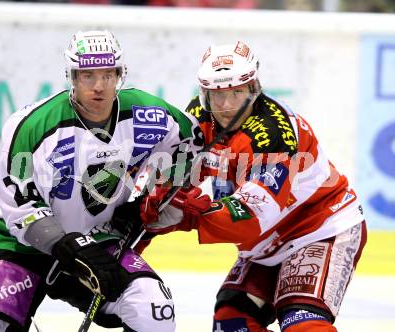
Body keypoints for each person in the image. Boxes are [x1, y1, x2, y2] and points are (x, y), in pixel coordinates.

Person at [0, 30, 203, 332]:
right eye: (87, 75)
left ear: (119, 75)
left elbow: (190, 146)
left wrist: (149, 199)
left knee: (154, 311)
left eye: (108, 75)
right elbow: (19, 203)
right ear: (72, 76)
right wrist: (67, 246)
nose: (99, 86)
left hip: (97, 238)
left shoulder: (146, 114)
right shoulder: (33, 125)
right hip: (18, 243)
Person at [140, 41, 367, 331]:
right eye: (216, 94)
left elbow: (249, 219)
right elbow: (171, 186)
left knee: (302, 323)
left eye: (236, 92)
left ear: (254, 88)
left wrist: (187, 212)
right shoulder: (198, 116)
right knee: (231, 322)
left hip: (319, 227)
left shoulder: (274, 134)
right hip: (266, 243)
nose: (226, 106)